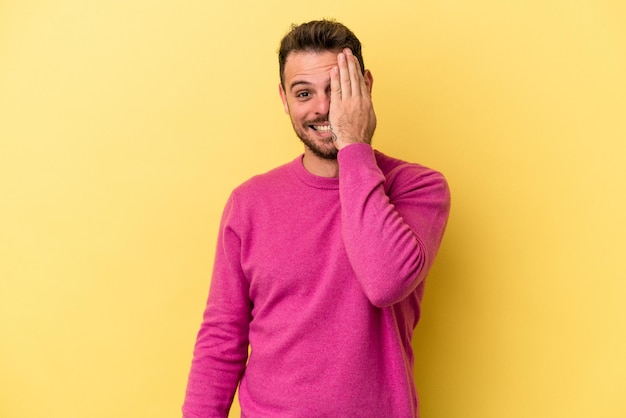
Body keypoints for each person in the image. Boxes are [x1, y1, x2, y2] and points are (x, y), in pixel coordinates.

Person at [182, 19, 450, 418]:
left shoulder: (418, 188)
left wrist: (354, 145)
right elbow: (222, 337)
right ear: (284, 98)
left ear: (365, 88)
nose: (323, 108)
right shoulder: (249, 203)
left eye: (338, 90)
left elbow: (384, 281)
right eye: (304, 93)